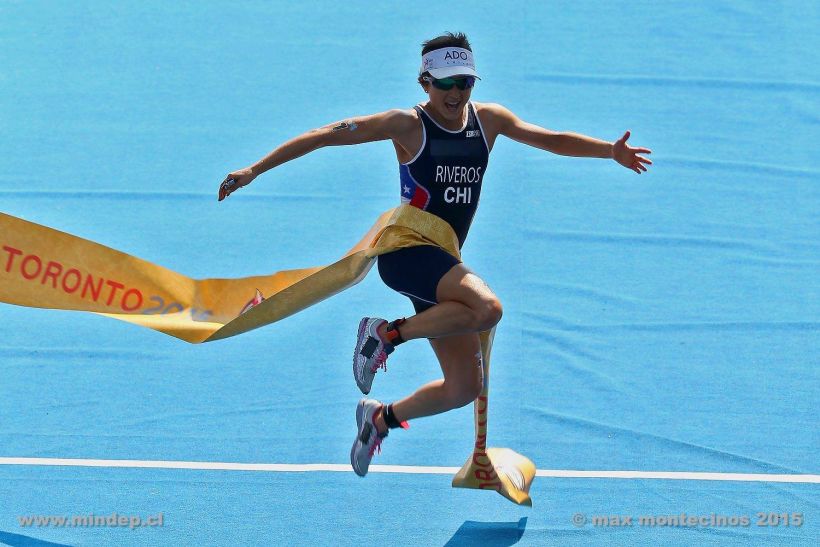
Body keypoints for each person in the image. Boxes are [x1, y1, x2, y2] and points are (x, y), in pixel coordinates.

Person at [219, 32, 652, 477]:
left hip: (441, 264)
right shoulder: (407, 124)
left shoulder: (489, 121)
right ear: (425, 81)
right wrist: (255, 169)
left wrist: (609, 152)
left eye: (465, 82)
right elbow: (326, 135)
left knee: (464, 387)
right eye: (445, 83)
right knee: (488, 308)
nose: (456, 93)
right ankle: (385, 335)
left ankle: (379, 418)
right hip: (408, 253)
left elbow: (552, 139)